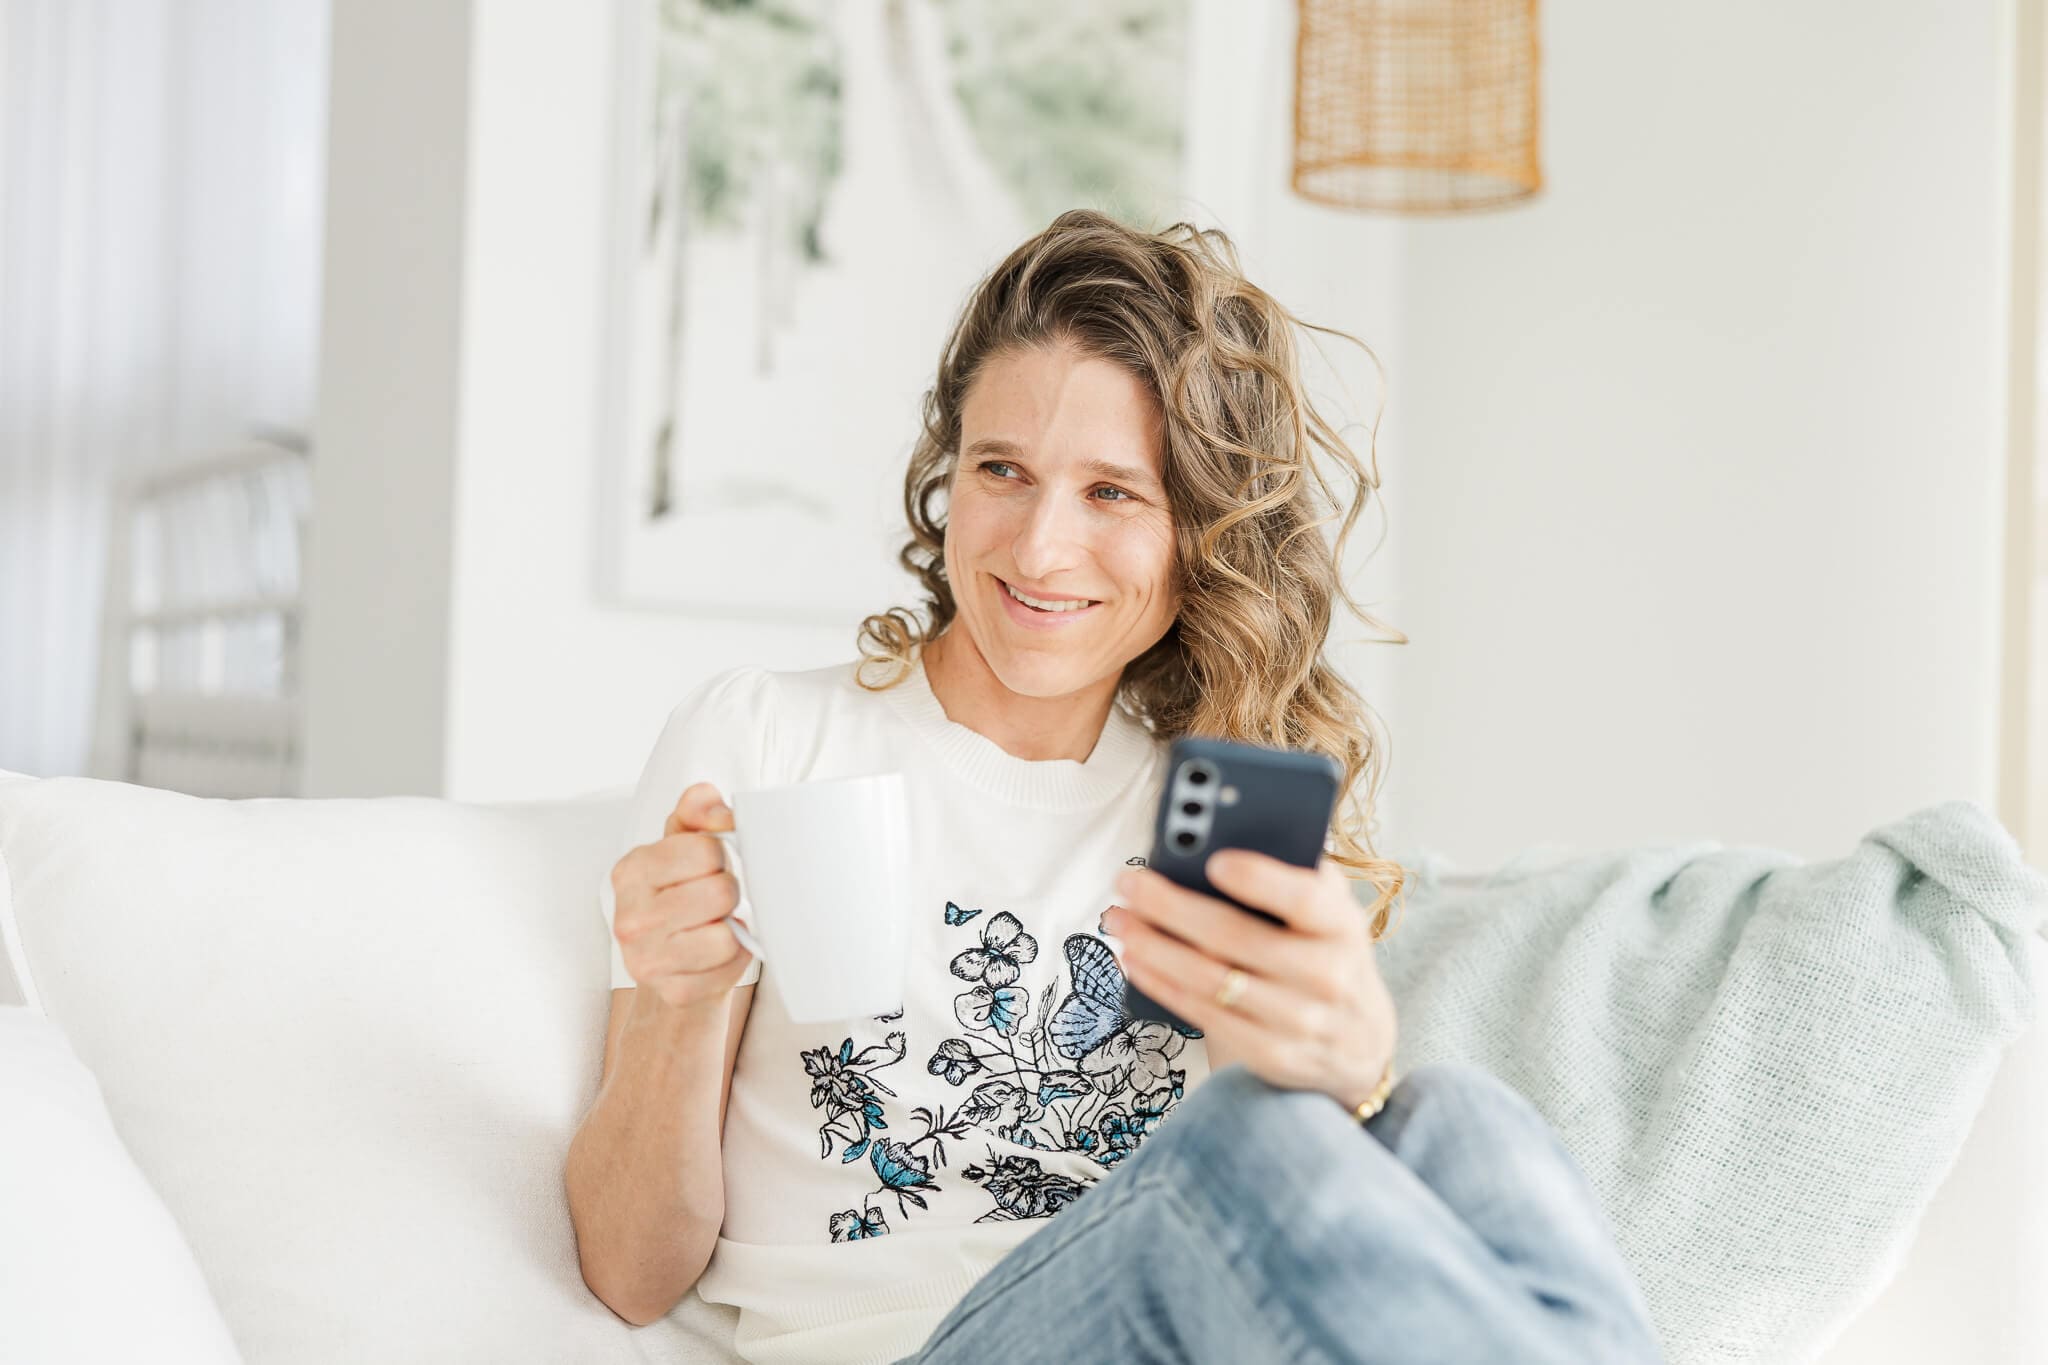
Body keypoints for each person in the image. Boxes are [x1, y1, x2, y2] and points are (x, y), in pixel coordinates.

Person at [566, 209, 1666, 1364]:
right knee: (1243, 1152)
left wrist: (1343, 1074)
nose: (1040, 549)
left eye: (1111, 494)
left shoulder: (1216, 799)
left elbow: (1287, 1225)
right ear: (948, 478)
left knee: (1459, 1120)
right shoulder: (764, 737)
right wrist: (678, 1008)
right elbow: (632, 1276)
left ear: (1200, 531)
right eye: (1002, 470)